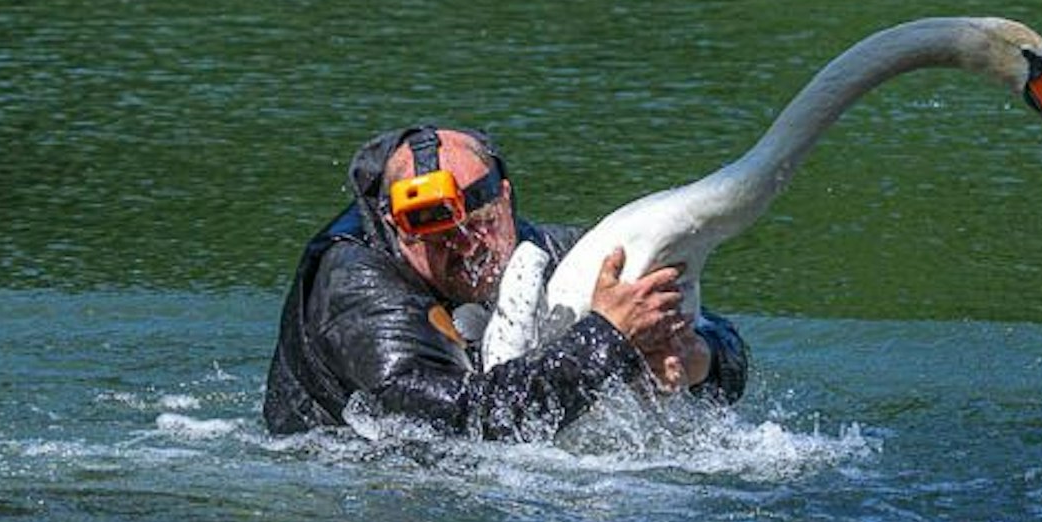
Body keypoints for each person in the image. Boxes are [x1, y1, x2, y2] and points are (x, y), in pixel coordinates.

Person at [261, 125, 749, 440]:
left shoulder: (543, 251)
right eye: (437, 241)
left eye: (479, 227)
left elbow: (725, 344)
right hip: (351, 491)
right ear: (394, 228)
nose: (466, 249)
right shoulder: (358, 290)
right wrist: (608, 338)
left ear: (506, 201)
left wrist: (698, 360)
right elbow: (452, 428)